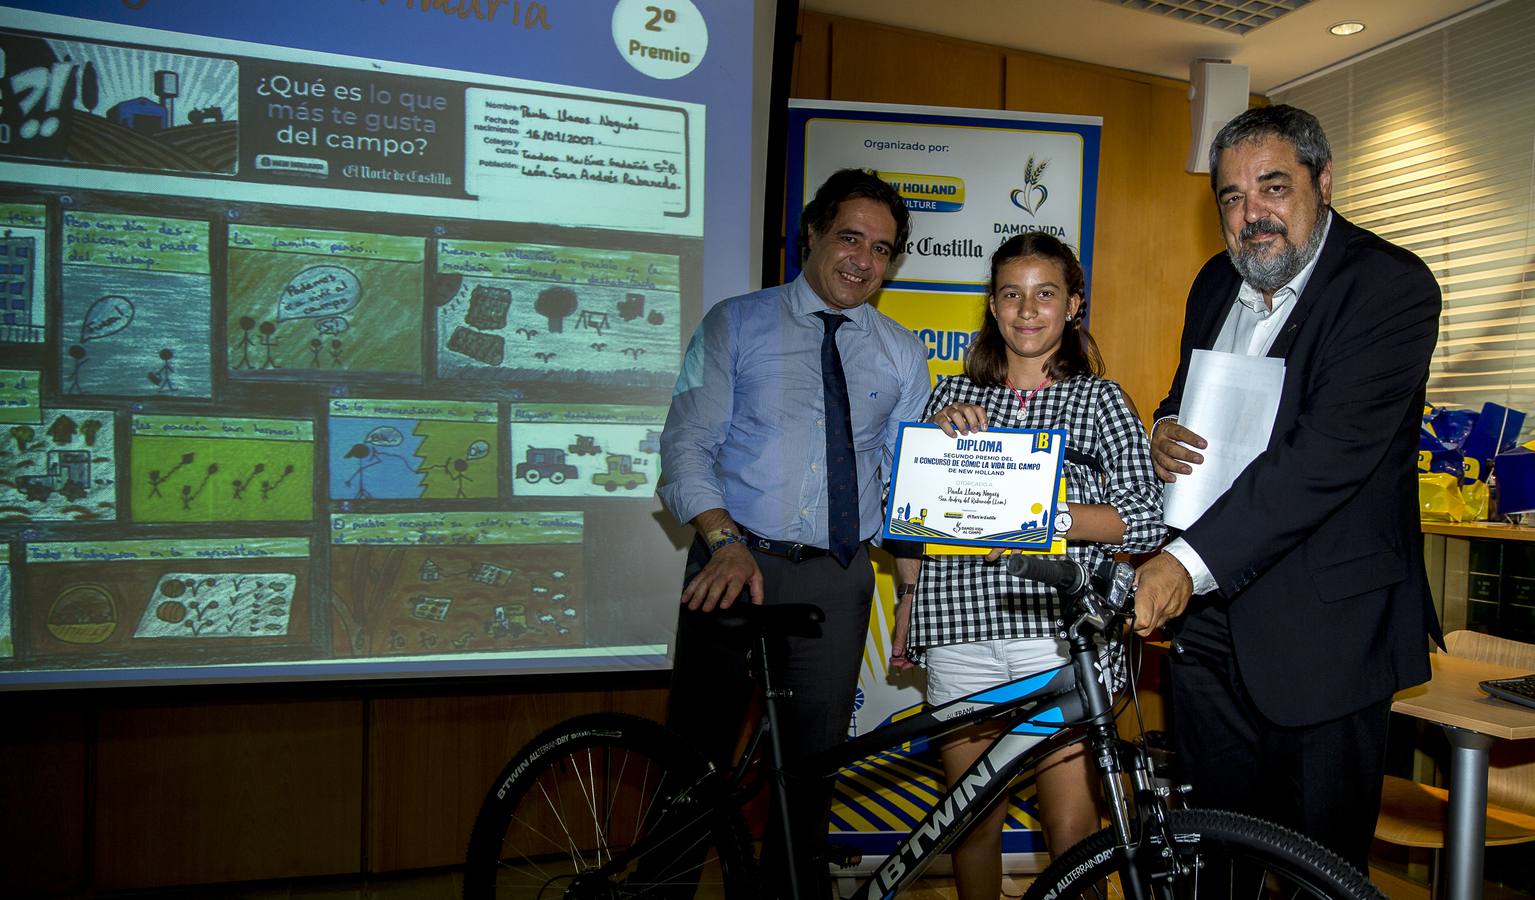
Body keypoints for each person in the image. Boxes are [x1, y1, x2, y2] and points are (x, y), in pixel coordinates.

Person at [1132, 105, 1442, 870]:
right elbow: (1190, 394)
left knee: (1316, 869)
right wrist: (1163, 425)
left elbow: (1324, 456)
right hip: (1207, 630)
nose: (1252, 215)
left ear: (1323, 181)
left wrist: (1182, 563)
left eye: (1272, 187)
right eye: (1232, 198)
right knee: (1217, 854)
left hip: (1324, 636)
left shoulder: (1387, 287)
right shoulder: (1214, 282)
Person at [658, 168, 929, 899]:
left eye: (882, 249)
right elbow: (685, 444)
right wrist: (721, 538)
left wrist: (908, 592)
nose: (863, 260)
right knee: (697, 758)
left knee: (810, 771)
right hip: (732, 560)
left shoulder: (902, 352)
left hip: (836, 577)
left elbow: (906, 486)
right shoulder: (736, 322)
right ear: (810, 234)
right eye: (849, 238)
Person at [889, 233, 1164, 900]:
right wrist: (905, 603)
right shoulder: (950, 396)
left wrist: (1049, 518)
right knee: (969, 817)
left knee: (1069, 823)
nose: (1026, 310)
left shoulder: (1098, 400)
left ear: (1073, 305)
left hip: (1052, 633)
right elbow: (912, 513)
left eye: (1045, 294)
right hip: (959, 628)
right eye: (1011, 294)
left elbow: (1146, 516)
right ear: (992, 305)